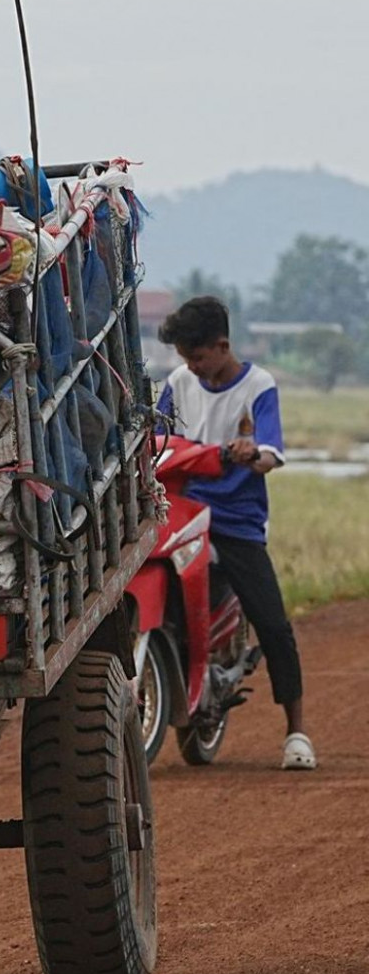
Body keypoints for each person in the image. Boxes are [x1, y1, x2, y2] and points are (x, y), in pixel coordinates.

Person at [156, 296, 314, 771]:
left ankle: (297, 731)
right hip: (182, 515)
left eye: (199, 357)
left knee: (273, 623)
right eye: (186, 358)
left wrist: (255, 455)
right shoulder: (179, 383)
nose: (193, 367)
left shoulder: (259, 386)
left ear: (223, 346)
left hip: (236, 523)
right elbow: (156, 436)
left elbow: (270, 451)